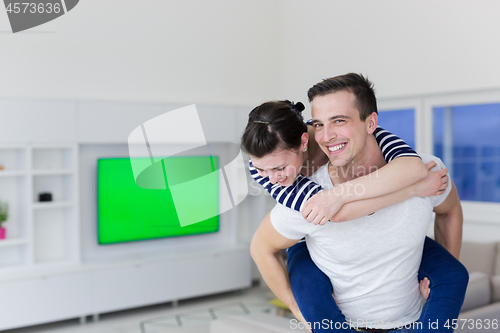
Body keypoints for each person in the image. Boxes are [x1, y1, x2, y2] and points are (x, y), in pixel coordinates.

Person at [242, 73, 468, 333]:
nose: (327, 136)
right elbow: (334, 213)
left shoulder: (402, 156)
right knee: (309, 287)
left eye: (339, 121)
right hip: (308, 243)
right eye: (320, 124)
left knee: (454, 275)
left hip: (406, 308)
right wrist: (296, 308)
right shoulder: (277, 176)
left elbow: (416, 170)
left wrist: (414, 187)